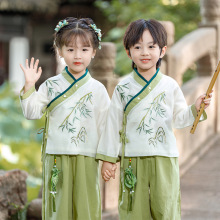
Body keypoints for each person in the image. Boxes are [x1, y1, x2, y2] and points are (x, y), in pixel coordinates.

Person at [96, 19, 212, 220]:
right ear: (128, 51)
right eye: (138, 47)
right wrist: (108, 159)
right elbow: (112, 124)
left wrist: (195, 108)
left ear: (163, 50)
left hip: (164, 159)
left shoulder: (170, 85)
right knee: (133, 211)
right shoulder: (123, 88)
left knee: (165, 209)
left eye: (151, 46)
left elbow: (179, 119)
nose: (145, 52)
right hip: (132, 159)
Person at [20, 17, 110, 220]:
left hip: (87, 157)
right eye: (70, 49)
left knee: (86, 208)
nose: (77, 55)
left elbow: (107, 127)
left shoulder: (98, 89)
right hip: (56, 156)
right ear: (59, 51)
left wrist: (109, 159)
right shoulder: (51, 85)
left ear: (94, 52)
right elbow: (31, 112)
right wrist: (29, 86)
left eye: (84, 50)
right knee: (56, 209)